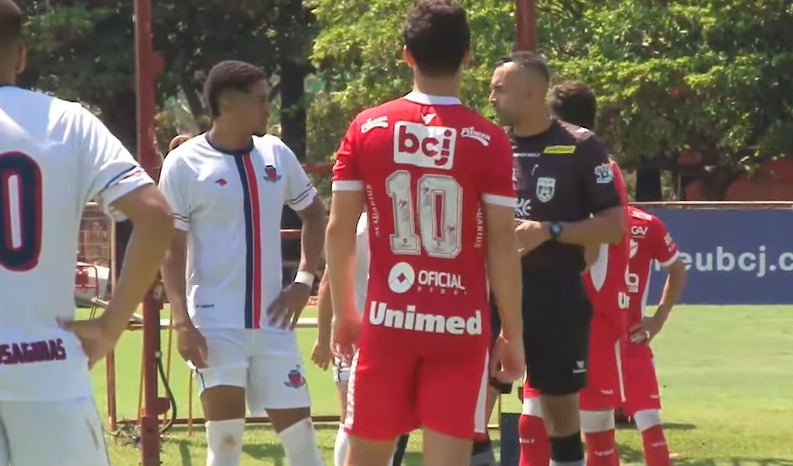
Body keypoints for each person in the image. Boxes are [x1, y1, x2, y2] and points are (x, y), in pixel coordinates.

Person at [326, 1, 525, 465]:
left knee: (366, 458)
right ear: (468, 56)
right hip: (460, 327)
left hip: (388, 321)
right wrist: (512, 333)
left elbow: (338, 229)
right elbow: (503, 242)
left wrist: (343, 311)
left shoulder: (367, 127)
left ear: (406, 55)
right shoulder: (489, 140)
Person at [0, 1, 175, 464]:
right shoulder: (67, 120)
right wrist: (112, 325)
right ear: (21, 55)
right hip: (49, 372)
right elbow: (156, 215)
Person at [158, 60, 327, 466]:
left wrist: (303, 280)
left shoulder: (275, 154)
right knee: (226, 445)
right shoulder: (184, 164)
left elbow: (314, 212)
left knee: (303, 447)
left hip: (273, 325)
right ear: (228, 103)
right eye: (260, 99)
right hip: (215, 325)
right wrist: (182, 321)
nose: (269, 108)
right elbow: (169, 247)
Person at [490, 52, 624, 466]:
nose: (491, 97)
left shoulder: (582, 146)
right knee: (472, 405)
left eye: (500, 89)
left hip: (555, 294)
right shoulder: (488, 145)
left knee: (562, 413)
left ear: (531, 94)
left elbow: (614, 226)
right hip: (490, 292)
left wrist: (550, 231)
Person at [547, 81, 631, 466]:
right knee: (543, 415)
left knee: (587, 422)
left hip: (585, 309)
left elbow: (592, 246)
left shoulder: (589, 167)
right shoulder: (597, 165)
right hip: (577, 308)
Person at [312, 212, 412, 466]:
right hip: (365, 337)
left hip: (373, 336)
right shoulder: (364, 227)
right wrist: (323, 339)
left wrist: (323, 339)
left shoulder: (357, 225)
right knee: (363, 419)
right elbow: (327, 284)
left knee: (361, 419)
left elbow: (327, 284)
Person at [621, 206, 687, 466]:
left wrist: (659, 319)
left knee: (648, 419)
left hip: (630, 339)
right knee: (587, 423)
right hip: (588, 338)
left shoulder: (647, 225)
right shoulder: (578, 219)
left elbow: (678, 270)